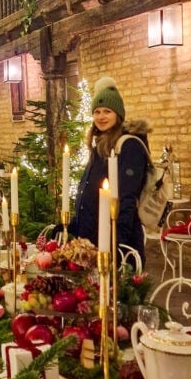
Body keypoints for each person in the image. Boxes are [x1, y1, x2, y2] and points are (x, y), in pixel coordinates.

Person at [69, 76, 150, 263]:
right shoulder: (100, 145)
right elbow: (91, 192)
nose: (101, 117)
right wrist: (73, 226)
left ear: (118, 114)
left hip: (115, 244)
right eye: (97, 111)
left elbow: (126, 198)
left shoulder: (129, 146)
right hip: (92, 239)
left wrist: (116, 244)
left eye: (107, 111)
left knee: (112, 292)